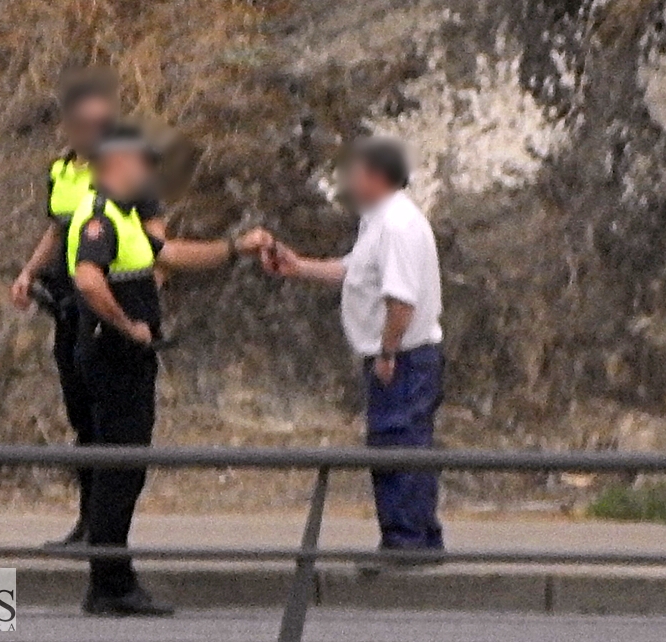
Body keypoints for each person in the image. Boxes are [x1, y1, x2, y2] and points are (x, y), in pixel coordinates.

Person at [67, 124, 271, 616]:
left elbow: (169, 254)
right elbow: (88, 279)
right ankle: (110, 584)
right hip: (114, 356)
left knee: (125, 469)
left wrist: (234, 247)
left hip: (126, 358)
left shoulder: (126, 216)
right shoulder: (98, 217)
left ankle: (112, 577)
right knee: (120, 469)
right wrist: (127, 325)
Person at [263, 137, 445, 563]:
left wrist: (387, 352)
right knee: (401, 445)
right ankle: (419, 540)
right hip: (401, 355)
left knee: (397, 445)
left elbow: (402, 300)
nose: (349, 180)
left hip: (405, 358)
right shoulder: (377, 220)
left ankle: (406, 545)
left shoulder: (397, 224)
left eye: (356, 172)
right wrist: (300, 266)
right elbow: (355, 270)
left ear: (377, 176)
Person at [9, 70, 166, 548]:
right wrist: (29, 272)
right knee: (83, 419)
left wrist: (146, 289)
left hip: (106, 307)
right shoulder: (63, 171)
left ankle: (106, 534)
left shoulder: (126, 174)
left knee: (112, 424)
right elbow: (57, 231)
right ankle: (88, 523)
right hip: (68, 308)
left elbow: (156, 237)